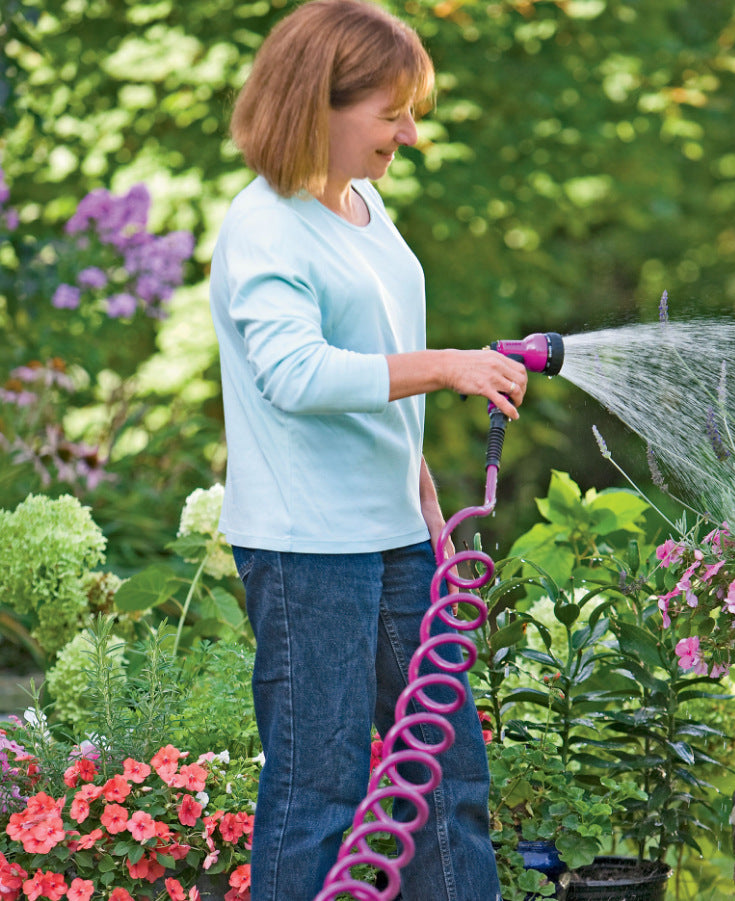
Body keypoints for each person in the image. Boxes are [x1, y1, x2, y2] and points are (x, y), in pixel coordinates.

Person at [209, 1, 526, 898]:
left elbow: (369, 357)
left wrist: (416, 477)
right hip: (309, 549)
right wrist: (451, 368)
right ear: (320, 102)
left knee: (445, 773)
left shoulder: (365, 206)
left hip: (393, 535)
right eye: (391, 113)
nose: (409, 133)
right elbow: (297, 374)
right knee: (318, 792)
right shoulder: (264, 224)